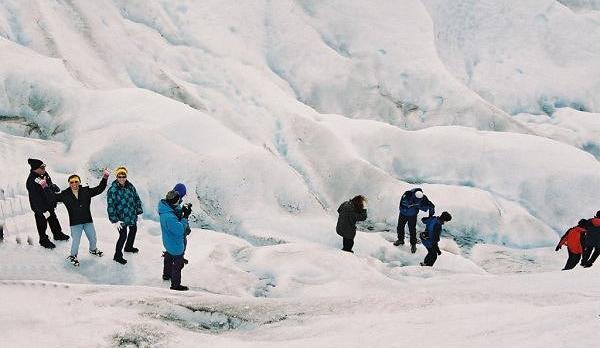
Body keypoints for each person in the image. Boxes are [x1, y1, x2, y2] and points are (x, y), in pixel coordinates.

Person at [45, 170, 109, 266]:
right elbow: (52, 197)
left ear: (79, 182)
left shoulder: (86, 191)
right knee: (76, 241)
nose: (74, 184)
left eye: (76, 181)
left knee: (93, 238)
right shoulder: (64, 194)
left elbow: (100, 189)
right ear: (69, 184)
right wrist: (44, 186)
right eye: (72, 182)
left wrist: (105, 177)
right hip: (75, 223)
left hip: (87, 220)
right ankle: (73, 256)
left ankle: (93, 250)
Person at [25, 158, 70, 248]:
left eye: (44, 166)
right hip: (40, 207)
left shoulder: (44, 174)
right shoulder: (32, 181)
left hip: (49, 204)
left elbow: (48, 184)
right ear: (35, 169)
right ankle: (43, 240)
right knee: (42, 223)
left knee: (53, 219)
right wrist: (42, 210)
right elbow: (35, 198)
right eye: (41, 167)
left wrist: (53, 187)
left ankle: (57, 234)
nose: (44, 169)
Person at [106, 166, 143, 265]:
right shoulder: (112, 190)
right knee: (123, 236)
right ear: (116, 177)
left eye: (123, 176)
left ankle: (128, 247)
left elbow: (136, 199)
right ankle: (117, 256)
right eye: (119, 176)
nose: (122, 178)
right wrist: (114, 220)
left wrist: (138, 212)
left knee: (133, 230)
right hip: (120, 219)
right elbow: (111, 206)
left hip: (131, 215)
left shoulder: (130, 186)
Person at [159, 189, 191, 291]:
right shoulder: (169, 217)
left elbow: (175, 211)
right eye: (178, 200)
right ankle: (175, 285)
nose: (179, 201)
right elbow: (180, 230)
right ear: (175, 201)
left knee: (168, 256)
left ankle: (166, 275)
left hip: (168, 241)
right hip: (175, 244)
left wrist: (183, 210)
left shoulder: (165, 208)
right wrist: (185, 216)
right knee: (178, 264)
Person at [394, 188, 435, 253]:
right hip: (403, 214)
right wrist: (412, 205)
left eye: (419, 200)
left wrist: (430, 216)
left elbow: (431, 206)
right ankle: (400, 240)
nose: (418, 201)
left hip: (412, 216)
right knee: (400, 227)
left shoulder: (423, 198)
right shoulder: (407, 194)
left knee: (412, 229)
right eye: (416, 200)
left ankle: (413, 244)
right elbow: (402, 204)